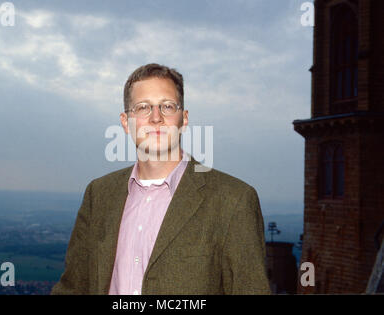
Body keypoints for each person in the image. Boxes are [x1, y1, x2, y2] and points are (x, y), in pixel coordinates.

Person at [51, 63, 270, 295]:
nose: (156, 118)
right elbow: (72, 288)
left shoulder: (233, 200)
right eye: (143, 107)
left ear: (183, 120)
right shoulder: (99, 194)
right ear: (126, 122)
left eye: (167, 106)